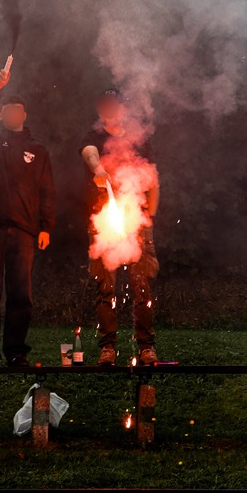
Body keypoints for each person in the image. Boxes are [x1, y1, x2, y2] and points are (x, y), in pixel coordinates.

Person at [0, 62, 55, 371]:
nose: (13, 115)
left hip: (24, 231)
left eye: (18, 111)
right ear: (1, 115)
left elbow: (48, 191)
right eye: (7, 111)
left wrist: (46, 227)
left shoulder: (38, 151)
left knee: (21, 294)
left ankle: (16, 352)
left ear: (24, 115)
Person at [81, 93, 160, 368]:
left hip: (136, 220)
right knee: (105, 286)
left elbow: (153, 178)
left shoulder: (139, 139)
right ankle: (108, 347)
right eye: (104, 105)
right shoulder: (94, 136)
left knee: (142, 285)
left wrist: (149, 216)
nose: (110, 109)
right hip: (104, 221)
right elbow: (89, 153)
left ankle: (146, 346)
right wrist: (98, 168)